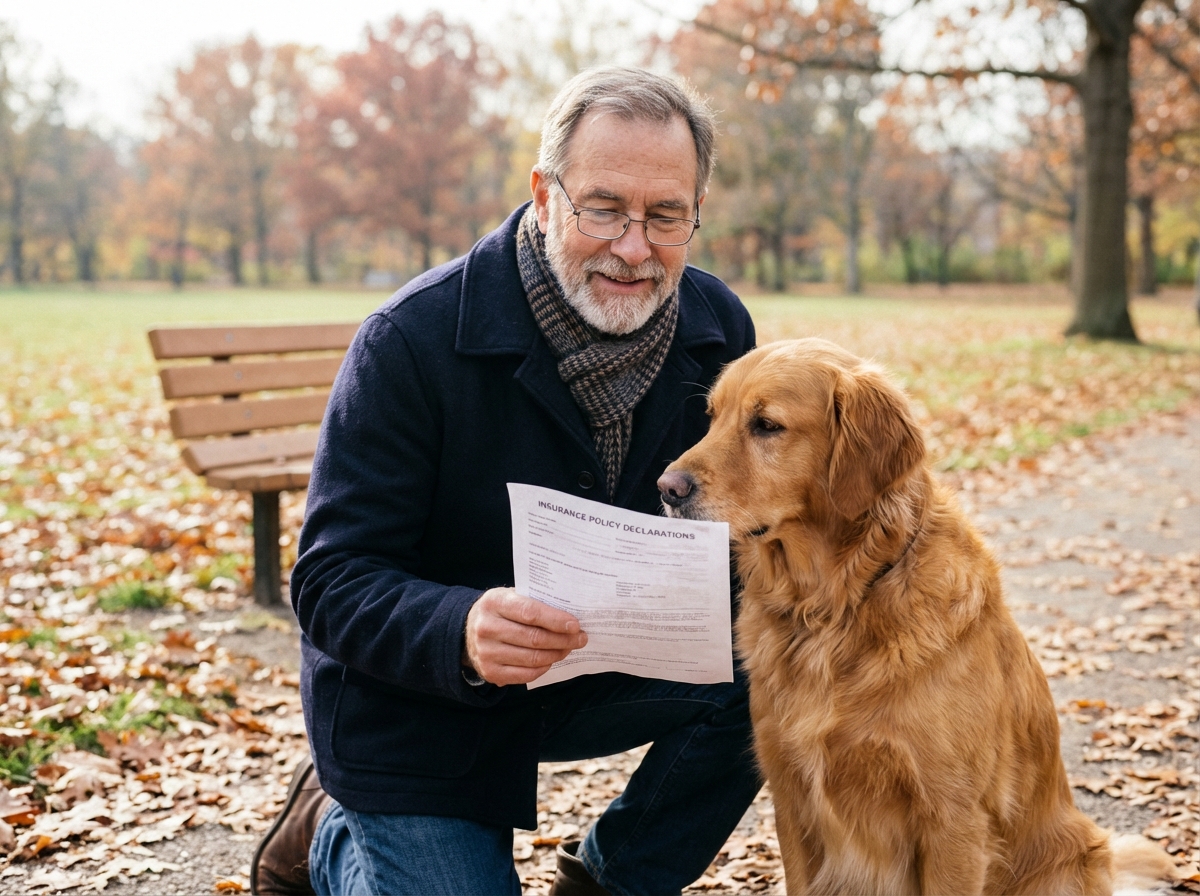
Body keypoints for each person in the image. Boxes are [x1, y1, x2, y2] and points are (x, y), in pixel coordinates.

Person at [251, 66, 760, 896]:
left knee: (778, 658)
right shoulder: (408, 340)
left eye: (665, 215)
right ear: (545, 195)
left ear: (696, 211)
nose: (634, 248)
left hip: (602, 667)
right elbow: (330, 580)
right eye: (603, 208)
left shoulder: (718, 327)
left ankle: (609, 881)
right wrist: (460, 628)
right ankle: (327, 831)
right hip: (420, 698)